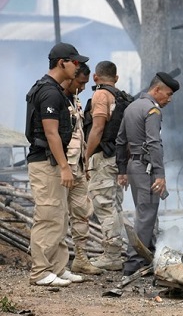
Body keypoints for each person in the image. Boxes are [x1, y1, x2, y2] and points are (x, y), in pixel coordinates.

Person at [24, 42, 88, 286]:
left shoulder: (56, 90)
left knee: (59, 216)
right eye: (75, 62)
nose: (78, 67)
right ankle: (40, 272)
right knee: (48, 215)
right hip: (46, 161)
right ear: (62, 63)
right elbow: (51, 133)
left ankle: (58, 268)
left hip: (53, 161)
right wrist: (64, 166)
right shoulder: (49, 92)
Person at [116, 72, 180, 276]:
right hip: (146, 169)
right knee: (146, 215)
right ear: (157, 89)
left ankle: (148, 255)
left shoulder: (132, 106)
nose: (169, 99)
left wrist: (122, 169)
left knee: (145, 213)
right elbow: (154, 143)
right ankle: (133, 263)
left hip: (135, 167)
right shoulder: (153, 110)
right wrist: (160, 174)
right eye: (168, 94)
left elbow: (120, 141)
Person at [85, 61, 129, 271]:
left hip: (103, 157)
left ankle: (112, 255)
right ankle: (118, 250)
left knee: (103, 205)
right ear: (116, 78)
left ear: (95, 77)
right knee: (115, 205)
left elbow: (98, 127)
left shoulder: (101, 95)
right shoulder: (120, 96)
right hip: (117, 159)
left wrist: (86, 155)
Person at [61, 63, 104, 275]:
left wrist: (84, 164)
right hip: (62, 167)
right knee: (56, 215)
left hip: (77, 165)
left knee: (81, 213)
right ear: (69, 76)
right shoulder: (54, 98)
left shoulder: (75, 100)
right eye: (80, 82)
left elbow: (80, 135)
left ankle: (80, 258)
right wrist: (63, 166)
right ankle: (50, 263)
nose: (84, 87)